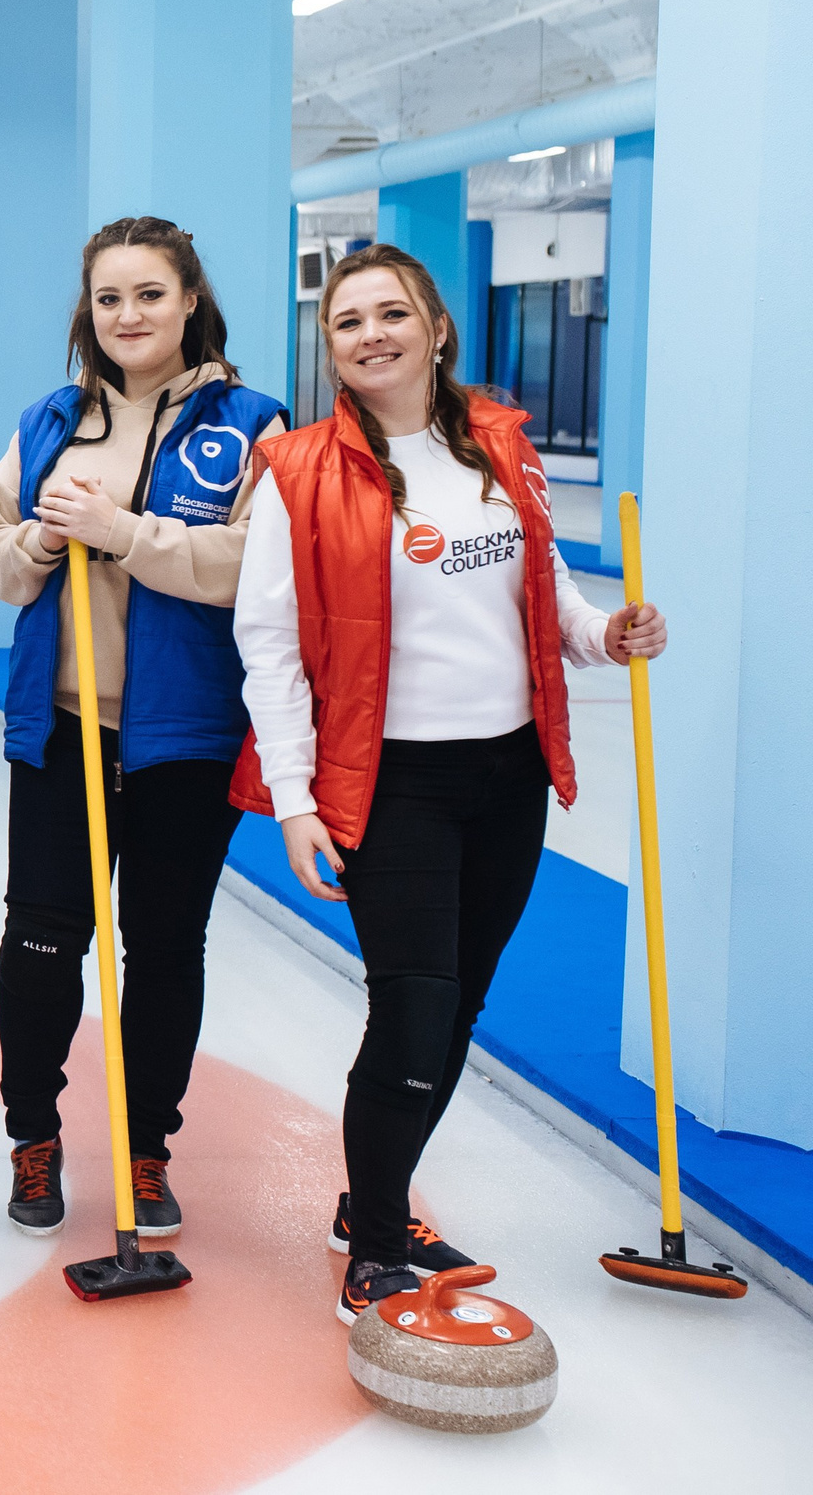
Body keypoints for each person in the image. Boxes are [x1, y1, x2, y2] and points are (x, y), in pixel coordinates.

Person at [230, 242, 666, 1325]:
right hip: (393, 783)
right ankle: (376, 1247)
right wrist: (292, 801)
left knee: (460, 1004)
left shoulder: (499, 446)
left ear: (434, 327)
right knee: (412, 1011)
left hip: (506, 773)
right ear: (328, 345)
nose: (370, 334)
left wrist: (603, 636)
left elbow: (546, 592)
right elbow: (271, 648)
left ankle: (367, 1202)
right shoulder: (299, 474)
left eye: (390, 313)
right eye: (347, 321)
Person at [0, 217, 287, 1240]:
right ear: (87, 312)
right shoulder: (51, 421)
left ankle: (146, 1149)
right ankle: (33, 1136)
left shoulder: (254, 425)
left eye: (149, 294)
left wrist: (129, 537)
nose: (128, 315)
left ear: (189, 299)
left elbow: (256, 568)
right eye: (109, 298)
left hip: (183, 735)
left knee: (161, 947)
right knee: (41, 938)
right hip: (62, 727)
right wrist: (42, 535)